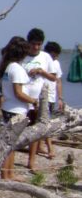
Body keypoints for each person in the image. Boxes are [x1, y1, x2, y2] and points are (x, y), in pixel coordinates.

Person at [0, 37, 38, 180]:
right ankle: (6, 174)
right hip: (16, 110)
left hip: (8, 108)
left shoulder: (9, 67)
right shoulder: (17, 69)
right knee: (10, 145)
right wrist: (34, 101)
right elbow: (19, 93)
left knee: (10, 144)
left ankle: (9, 173)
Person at [22, 28, 57, 172]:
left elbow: (53, 77)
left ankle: (31, 161)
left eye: (38, 44)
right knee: (20, 129)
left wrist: (41, 71)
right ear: (28, 43)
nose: (35, 47)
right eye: (33, 44)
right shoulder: (22, 56)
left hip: (39, 98)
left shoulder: (45, 57)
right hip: (23, 97)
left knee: (36, 130)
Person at [37, 41, 64, 159]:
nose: (55, 57)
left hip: (52, 97)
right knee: (45, 122)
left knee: (47, 122)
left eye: (57, 55)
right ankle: (50, 148)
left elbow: (58, 81)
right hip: (43, 95)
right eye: (54, 55)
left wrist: (60, 98)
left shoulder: (56, 63)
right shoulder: (43, 60)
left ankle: (39, 145)